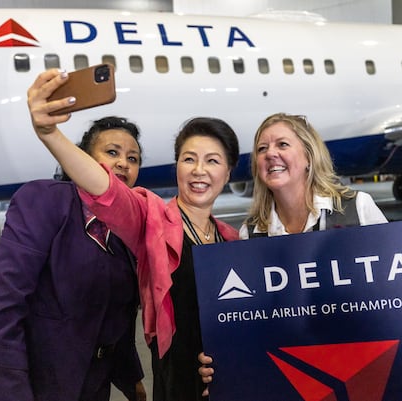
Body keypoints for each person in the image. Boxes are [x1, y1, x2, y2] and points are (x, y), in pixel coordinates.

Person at [197, 112, 402, 390]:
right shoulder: (252, 232)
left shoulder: (358, 209)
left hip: (363, 369)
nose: (271, 153)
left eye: (282, 144)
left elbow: (401, 296)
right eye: (262, 148)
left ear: (309, 157)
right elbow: (249, 323)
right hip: (295, 377)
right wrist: (225, 361)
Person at [25, 69, 241, 401]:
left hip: (228, 375)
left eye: (212, 161)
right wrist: (49, 133)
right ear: (177, 167)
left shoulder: (232, 240)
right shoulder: (150, 217)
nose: (199, 170)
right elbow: (106, 189)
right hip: (177, 376)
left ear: (227, 171)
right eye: (189, 159)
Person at [0, 116, 147, 401]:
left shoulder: (127, 233)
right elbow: (2, 307)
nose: (124, 163)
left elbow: (118, 320)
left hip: (93, 386)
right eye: (112, 152)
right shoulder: (44, 201)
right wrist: (11, 392)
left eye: (133, 158)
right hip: (35, 384)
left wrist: (132, 379)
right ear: (82, 158)